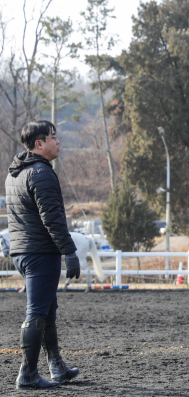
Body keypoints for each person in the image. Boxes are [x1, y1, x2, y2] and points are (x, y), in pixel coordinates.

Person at [5, 120, 81, 390]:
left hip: (22, 252)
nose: (57, 142)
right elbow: (53, 219)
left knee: (48, 310)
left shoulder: (14, 173)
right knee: (36, 312)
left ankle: (57, 367)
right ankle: (27, 375)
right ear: (39, 144)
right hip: (40, 253)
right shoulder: (41, 173)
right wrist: (70, 251)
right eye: (53, 137)